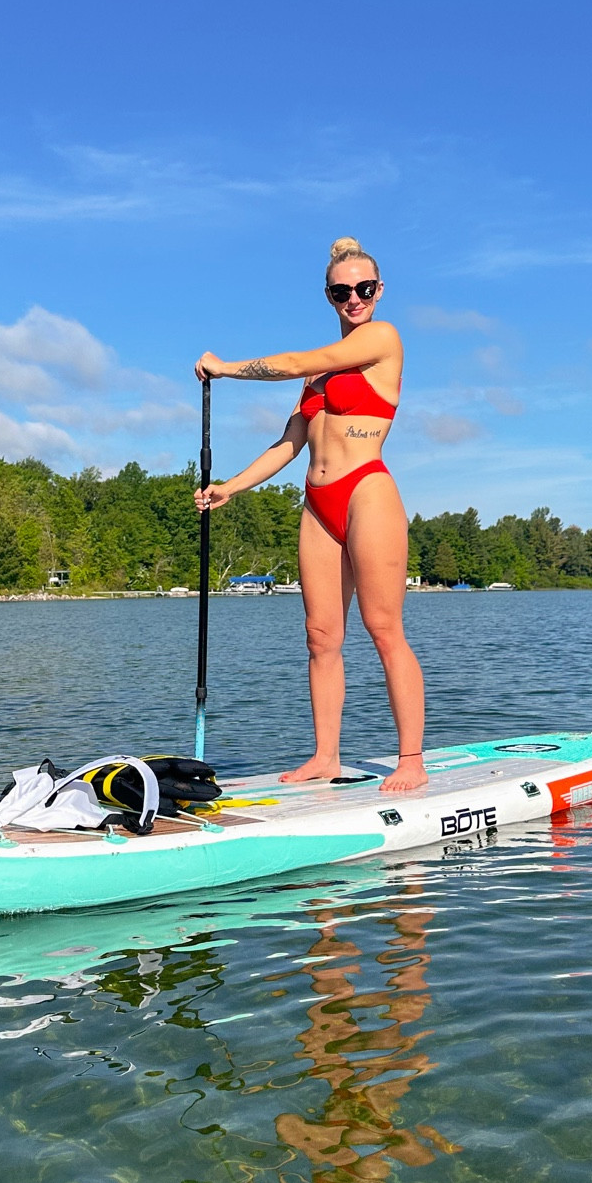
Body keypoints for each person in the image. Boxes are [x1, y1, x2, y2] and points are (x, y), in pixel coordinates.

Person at [195, 236, 427, 795]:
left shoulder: (382, 338)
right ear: (329, 295)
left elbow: (298, 358)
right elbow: (289, 442)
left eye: (364, 289)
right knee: (321, 636)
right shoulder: (315, 380)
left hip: (366, 491)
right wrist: (231, 487)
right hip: (318, 504)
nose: (354, 298)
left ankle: (411, 759)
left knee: (383, 629)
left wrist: (225, 369)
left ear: (379, 290)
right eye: (342, 291)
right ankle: (326, 755)